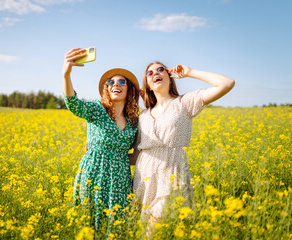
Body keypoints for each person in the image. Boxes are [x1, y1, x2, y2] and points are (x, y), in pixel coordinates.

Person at [130, 61, 235, 222]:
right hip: (144, 178)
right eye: (149, 73)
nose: (156, 73)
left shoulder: (184, 103)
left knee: (155, 226)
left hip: (171, 174)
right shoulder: (142, 116)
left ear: (170, 78)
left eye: (160, 70)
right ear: (148, 85)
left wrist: (190, 72)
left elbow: (227, 84)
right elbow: (137, 155)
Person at [62, 48, 140, 230]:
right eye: (110, 82)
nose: (116, 84)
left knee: (116, 226)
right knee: (88, 224)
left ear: (129, 89)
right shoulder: (97, 109)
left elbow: (136, 155)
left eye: (122, 81)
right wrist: (66, 74)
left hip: (120, 180)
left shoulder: (135, 121)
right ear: (106, 88)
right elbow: (73, 104)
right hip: (93, 174)